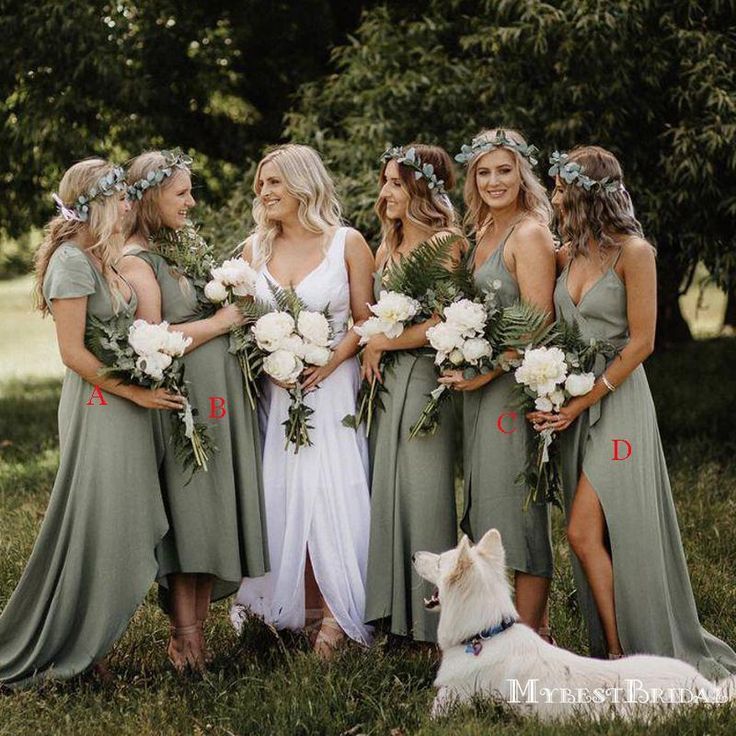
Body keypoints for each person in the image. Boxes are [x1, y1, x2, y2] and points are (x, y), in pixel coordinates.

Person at [530, 145, 736, 678]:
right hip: (574, 401)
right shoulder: (565, 252)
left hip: (617, 405)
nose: (554, 196)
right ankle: (613, 651)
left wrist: (581, 400)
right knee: (590, 533)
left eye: (559, 187)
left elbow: (641, 343)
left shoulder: (633, 253)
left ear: (584, 192)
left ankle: (625, 656)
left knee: (584, 530)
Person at [0, 159, 183, 687]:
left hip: (124, 405)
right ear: (96, 201)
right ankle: (76, 644)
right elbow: (72, 354)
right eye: (121, 196)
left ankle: (89, 640)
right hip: (101, 406)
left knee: (113, 522)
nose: (130, 203)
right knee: (101, 523)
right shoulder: (71, 262)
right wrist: (137, 393)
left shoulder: (102, 258)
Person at [119, 149, 269, 672]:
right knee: (191, 520)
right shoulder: (137, 260)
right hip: (185, 411)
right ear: (150, 196)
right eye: (180, 192)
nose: (191, 201)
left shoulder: (182, 249)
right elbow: (152, 337)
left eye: (190, 190)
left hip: (218, 406)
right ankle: (186, 640)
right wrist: (223, 321)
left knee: (212, 517)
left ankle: (196, 636)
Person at [230, 144, 375, 657]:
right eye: (260, 186)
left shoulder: (347, 243)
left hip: (333, 389)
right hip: (278, 391)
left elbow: (365, 320)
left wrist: (330, 362)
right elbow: (243, 325)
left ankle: (336, 617)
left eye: (273, 183)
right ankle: (300, 609)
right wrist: (273, 363)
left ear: (302, 184)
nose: (264, 193)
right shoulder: (254, 251)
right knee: (287, 492)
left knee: (332, 491)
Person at [439, 129, 556, 635]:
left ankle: (530, 638)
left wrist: (485, 366)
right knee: (489, 506)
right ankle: (516, 627)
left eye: (504, 170)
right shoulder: (483, 230)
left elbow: (539, 321)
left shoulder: (528, 233)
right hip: (480, 391)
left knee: (518, 514)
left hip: (512, 386)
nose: (493, 181)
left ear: (522, 174)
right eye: (483, 172)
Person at [363, 143, 463, 644]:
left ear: (423, 187)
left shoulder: (447, 244)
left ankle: (431, 622)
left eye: (396, 183)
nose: (386, 192)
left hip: (426, 378)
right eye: (385, 181)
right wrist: (372, 345)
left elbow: (445, 322)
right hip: (386, 381)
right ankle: (389, 613)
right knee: (390, 489)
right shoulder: (387, 245)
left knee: (424, 494)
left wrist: (384, 341)